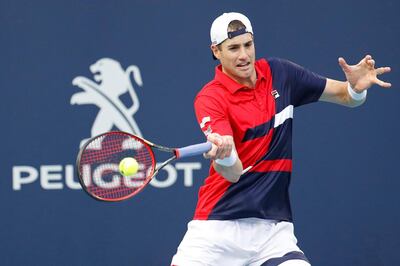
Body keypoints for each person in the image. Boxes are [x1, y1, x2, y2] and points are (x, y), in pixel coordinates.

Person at [171, 12, 391, 266]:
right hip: (217, 228)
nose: (243, 55)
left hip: (273, 232)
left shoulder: (280, 74)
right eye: (233, 48)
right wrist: (226, 154)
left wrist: (355, 88)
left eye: (247, 45)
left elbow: (345, 96)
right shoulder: (210, 98)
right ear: (216, 51)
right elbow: (232, 173)